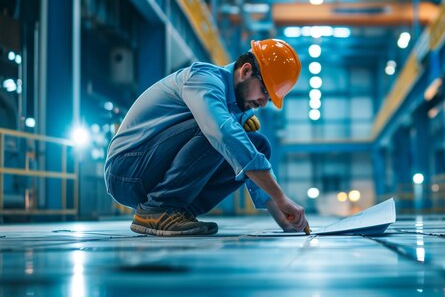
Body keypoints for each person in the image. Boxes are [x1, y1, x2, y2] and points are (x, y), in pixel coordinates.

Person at [104, 39, 310, 236]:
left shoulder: (232, 106)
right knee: (217, 130)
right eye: (265, 91)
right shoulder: (203, 78)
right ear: (246, 71)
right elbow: (222, 132)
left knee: (258, 144)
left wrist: (282, 216)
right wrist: (280, 196)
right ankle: (159, 208)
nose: (264, 102)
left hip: (148, 171)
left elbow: (244, 151)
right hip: (126, 170)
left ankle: (176, 210)